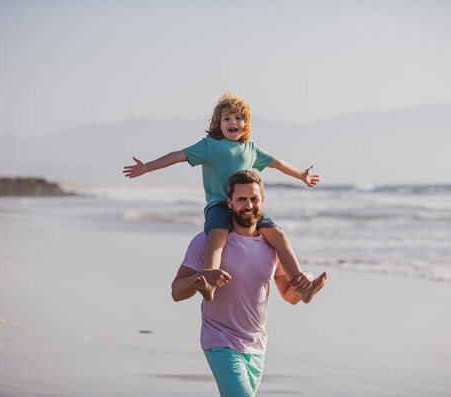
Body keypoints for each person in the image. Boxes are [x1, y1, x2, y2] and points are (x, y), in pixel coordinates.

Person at [123, 92, 323, 301]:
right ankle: (209, 283)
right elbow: (177, 156)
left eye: (238, 118)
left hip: (246, 206)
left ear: (246, 124)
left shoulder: (250, 149)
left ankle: (301, 285)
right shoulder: (209, 146)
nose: (232, 122)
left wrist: (301, 174)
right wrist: (146, 167)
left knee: (279, 236)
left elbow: (278, 163)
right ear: (218, 124)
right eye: (226, 118)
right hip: (219, 204)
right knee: (217, 235)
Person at [171, 170, 327, 397]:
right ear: (229, 202)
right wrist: (199, 280)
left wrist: (305, 282)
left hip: (256, 345)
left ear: (262, 200)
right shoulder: (206, 241)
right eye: (241, 199)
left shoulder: (271, 245)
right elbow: (176, 291)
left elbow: (289, 295)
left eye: (254, 199)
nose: (249, 205)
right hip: (220, 339)